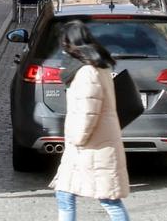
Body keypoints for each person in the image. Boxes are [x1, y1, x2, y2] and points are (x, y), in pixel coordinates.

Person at [51, 20, 131, 221]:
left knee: (108, 198)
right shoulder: (97, 67)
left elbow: (89, 111)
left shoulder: (87, 72)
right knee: (65, 193)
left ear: (71, 44)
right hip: (90, 147)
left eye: (64, 44)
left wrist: (77, 139)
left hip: (92, 147)